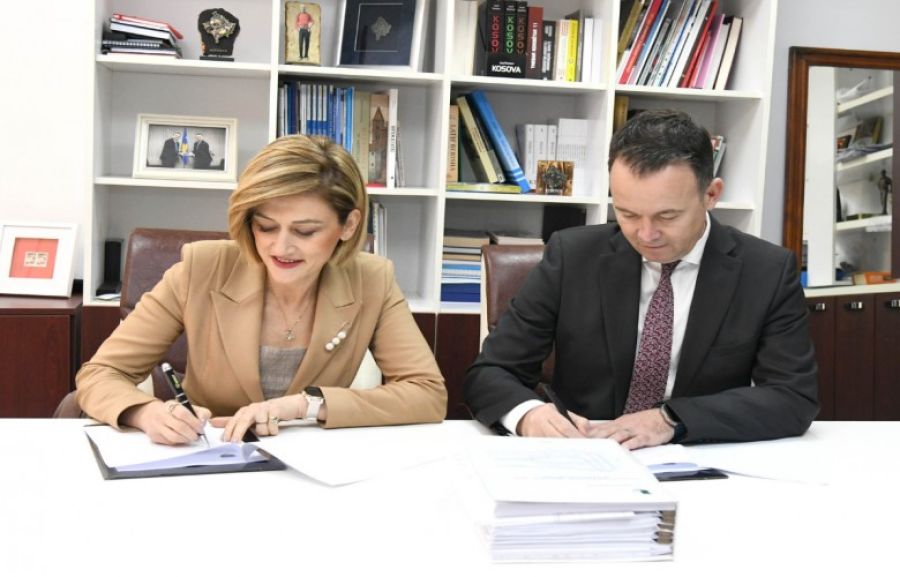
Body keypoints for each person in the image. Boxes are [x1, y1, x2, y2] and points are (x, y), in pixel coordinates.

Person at [464, 109, 818, 449]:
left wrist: (670, 420)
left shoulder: (765, 272)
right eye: (628, 213)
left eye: (668, 216)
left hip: (697, 456)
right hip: (584, 453)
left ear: (711, 194)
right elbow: (491, 372)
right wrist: (529, 415)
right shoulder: (572, 257)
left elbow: (792, 397)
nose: (646, 235)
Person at [77, 134, 447, 445]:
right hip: (209, 459)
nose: (281, 247)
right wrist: (146, 412)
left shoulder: (373, 280)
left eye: (305, 231)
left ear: (349, 225)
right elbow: (100, 374)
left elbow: (427, 393)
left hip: (314, 467)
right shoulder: (200, 269)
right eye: (266, 227)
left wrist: (305, 405)